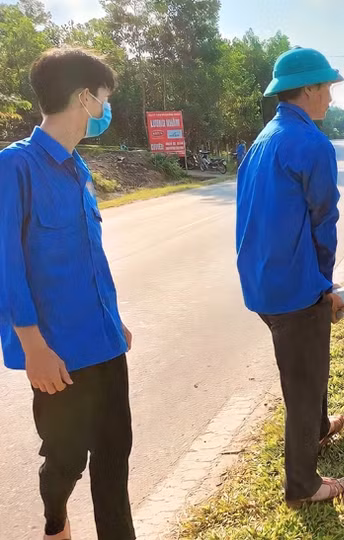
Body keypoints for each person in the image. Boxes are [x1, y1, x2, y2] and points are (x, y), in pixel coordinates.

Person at [0, 48, 135, 540]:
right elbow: (6, 267)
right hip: (57, 355)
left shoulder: (79, 169)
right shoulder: (14, 168)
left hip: (104, 342)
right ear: (84, 97)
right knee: (65, 458)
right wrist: (33, 348)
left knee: (115, 451)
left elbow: (89, 257)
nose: (106, 109)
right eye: (104, 99)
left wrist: (111, 318)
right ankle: (55, 520)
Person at [235, 47, 344, 507]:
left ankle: (320, 430)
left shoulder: (265, 138)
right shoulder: (311, 143)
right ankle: (302, 485)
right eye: (325, 88)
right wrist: (323, 284)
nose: (329, 97)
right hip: (293, 287)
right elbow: (325, 220)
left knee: (309, 364)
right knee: (303, 383)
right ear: (308, 90)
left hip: (262, 283)